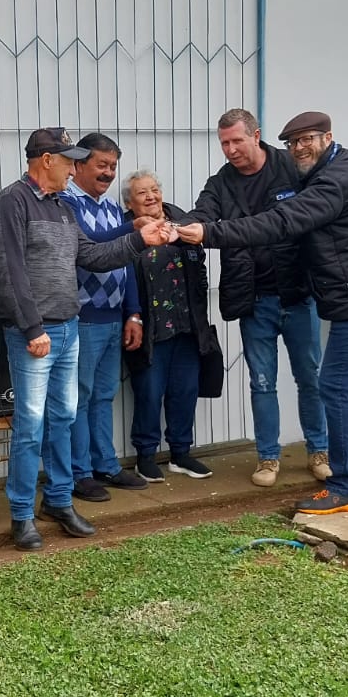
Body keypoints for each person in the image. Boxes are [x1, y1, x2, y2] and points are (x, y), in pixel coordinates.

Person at [178, 111, 348, 515]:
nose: (300, 148)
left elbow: (283, 221)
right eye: (294, 142)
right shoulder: (327, 168)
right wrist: (182, 226)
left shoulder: (332, 179)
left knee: (332, 385)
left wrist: (211, 234)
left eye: (308, 140)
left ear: (328, 137)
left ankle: (345, 486)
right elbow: (206, 210)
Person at [0, 128, 174, 550]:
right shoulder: (11, 203)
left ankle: (58, 500)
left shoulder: (61, 208)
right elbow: (9, 271)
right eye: (69, 161)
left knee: (63, 418)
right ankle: (20, 515)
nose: (75, 169)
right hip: (35, 333)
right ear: (45, 160)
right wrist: (32, 329)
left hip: (69, 327)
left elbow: (92, 255)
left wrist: (139, 239)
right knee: (31, 426)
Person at [190, 108, 329, 488]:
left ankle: (320, 450)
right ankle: (268, 457)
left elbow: (323, 207)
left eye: (236, 140)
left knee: (310, 377)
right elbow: (203, 213)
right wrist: (181, 226)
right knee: (262, 381)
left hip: (299, 293)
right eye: (224, 143)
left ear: (256, 135)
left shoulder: (291, 167)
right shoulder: (220, 182)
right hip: (253, 299)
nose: (230, 149)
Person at [59, 133, 150, 501]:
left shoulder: (112, 207)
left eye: (113, 166)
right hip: (81, 317)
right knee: (79, 398)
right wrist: (133, 227)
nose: (109, 173)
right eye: (101, 165)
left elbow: (125, 262)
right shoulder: (65, 204)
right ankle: (80, 473)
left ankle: (106, 465)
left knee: (103, 396)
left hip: (114, 317)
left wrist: (134, 313)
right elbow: (92, 246)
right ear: (79, 164)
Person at [121, 170, 219, 481]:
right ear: (129, 203)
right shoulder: (125, 233)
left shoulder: (183, 222)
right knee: (149, 391)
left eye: (154, 190)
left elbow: (199, 266)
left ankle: (181, 453)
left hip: (187, 323)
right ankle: (146, 456)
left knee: (186, 389)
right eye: (141, 193)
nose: (150, 196)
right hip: (151, 326)